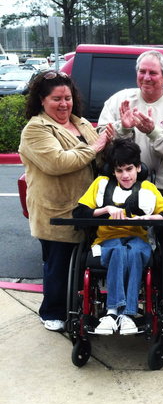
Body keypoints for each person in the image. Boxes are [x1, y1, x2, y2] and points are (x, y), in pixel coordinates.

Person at [19, 71, 114, 332]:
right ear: (41, 100)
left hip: (87, 208)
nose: (64, 104)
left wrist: (118, 134)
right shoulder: (35, 129)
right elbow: (58, 162)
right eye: (56, 99)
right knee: (58, 267)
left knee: (83, 265)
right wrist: (95, 148)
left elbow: (102, 157)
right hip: (57, 210)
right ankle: (52, 311)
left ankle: (78, 308)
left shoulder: (81, 123)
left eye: (68, 98)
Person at [72, 138, 163, 335]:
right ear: (112, 171)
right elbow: (79, 214)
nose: (125, 175)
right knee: (120, 250)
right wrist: (105, 209)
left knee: (134, 250)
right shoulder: (100, 184)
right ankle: (115, 313)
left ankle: (123, 314)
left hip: (139, 240)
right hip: (107, 241)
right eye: (119, 171)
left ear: (138, 168)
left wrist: (148, 217)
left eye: (129, 169)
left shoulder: (148, 189)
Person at [97, 50, 163, 204]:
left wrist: (154, 133)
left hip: (161, 192)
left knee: (158, 229)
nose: (146, 77)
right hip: (117, 188)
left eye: (153, 73)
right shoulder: (118, 100)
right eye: (142, 71)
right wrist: (123, 129)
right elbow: (100, 141)